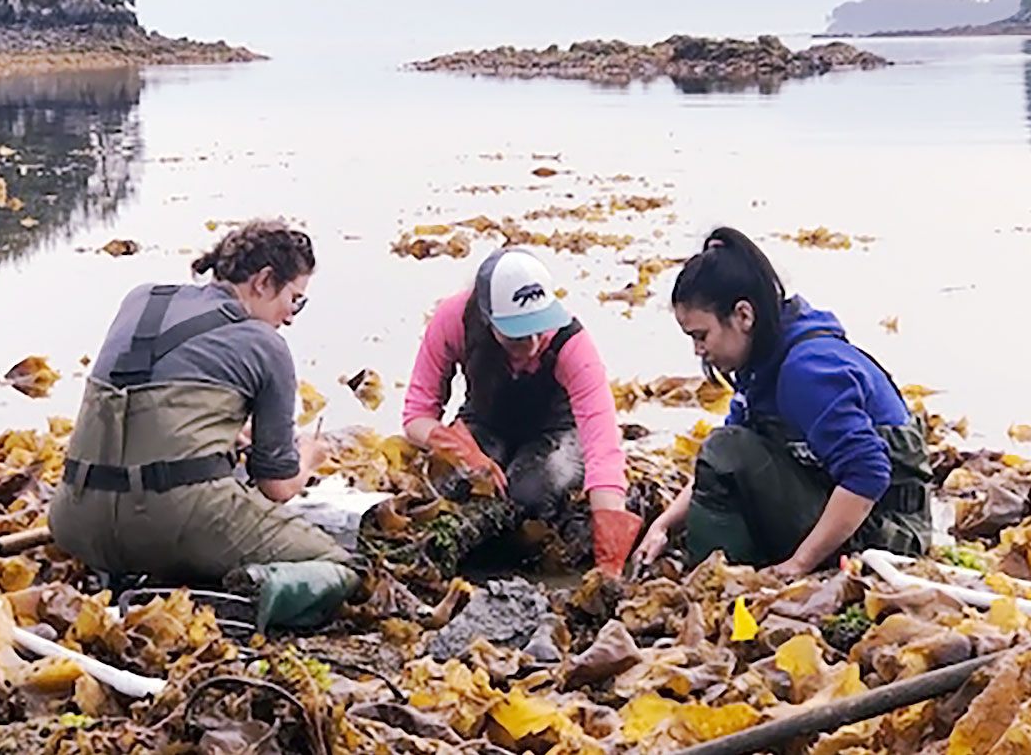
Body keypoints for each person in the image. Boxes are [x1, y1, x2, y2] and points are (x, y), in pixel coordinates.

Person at [50, 220, 357, 630]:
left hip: (75, 521)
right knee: (339, 564)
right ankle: (248, 595)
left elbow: (147, 402)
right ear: (264, 281)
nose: (291, 317)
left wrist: (226, 433)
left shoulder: (142, 299)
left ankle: (129, 573)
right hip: (171, 521)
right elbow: (277, 487)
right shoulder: (266, 345)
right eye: (294, 299)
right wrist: (309, 456)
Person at [632, 227, 933, 580]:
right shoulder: (762, 361)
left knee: (725, 448)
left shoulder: (807, 370)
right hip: (844, 509)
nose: (698, 350)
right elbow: (721, 462)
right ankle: (726, 570)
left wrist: (798, 565)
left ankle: (716, 582)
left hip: (887, 533)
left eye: (701, 335)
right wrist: (664, 525)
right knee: (728, 450)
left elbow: (867, 474)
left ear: (744, 315)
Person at [402, 246, 644, 575]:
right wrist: (456, 447)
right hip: (485, 423)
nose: (531, 344)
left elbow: (603, 448)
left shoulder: (572, 344)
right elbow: (416, 415)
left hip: (557, 433)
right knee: (457, 484)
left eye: (537, 328)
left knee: (529, 495)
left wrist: (610, 552)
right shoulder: (454, 319)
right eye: (516, 335)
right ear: (488, 320)